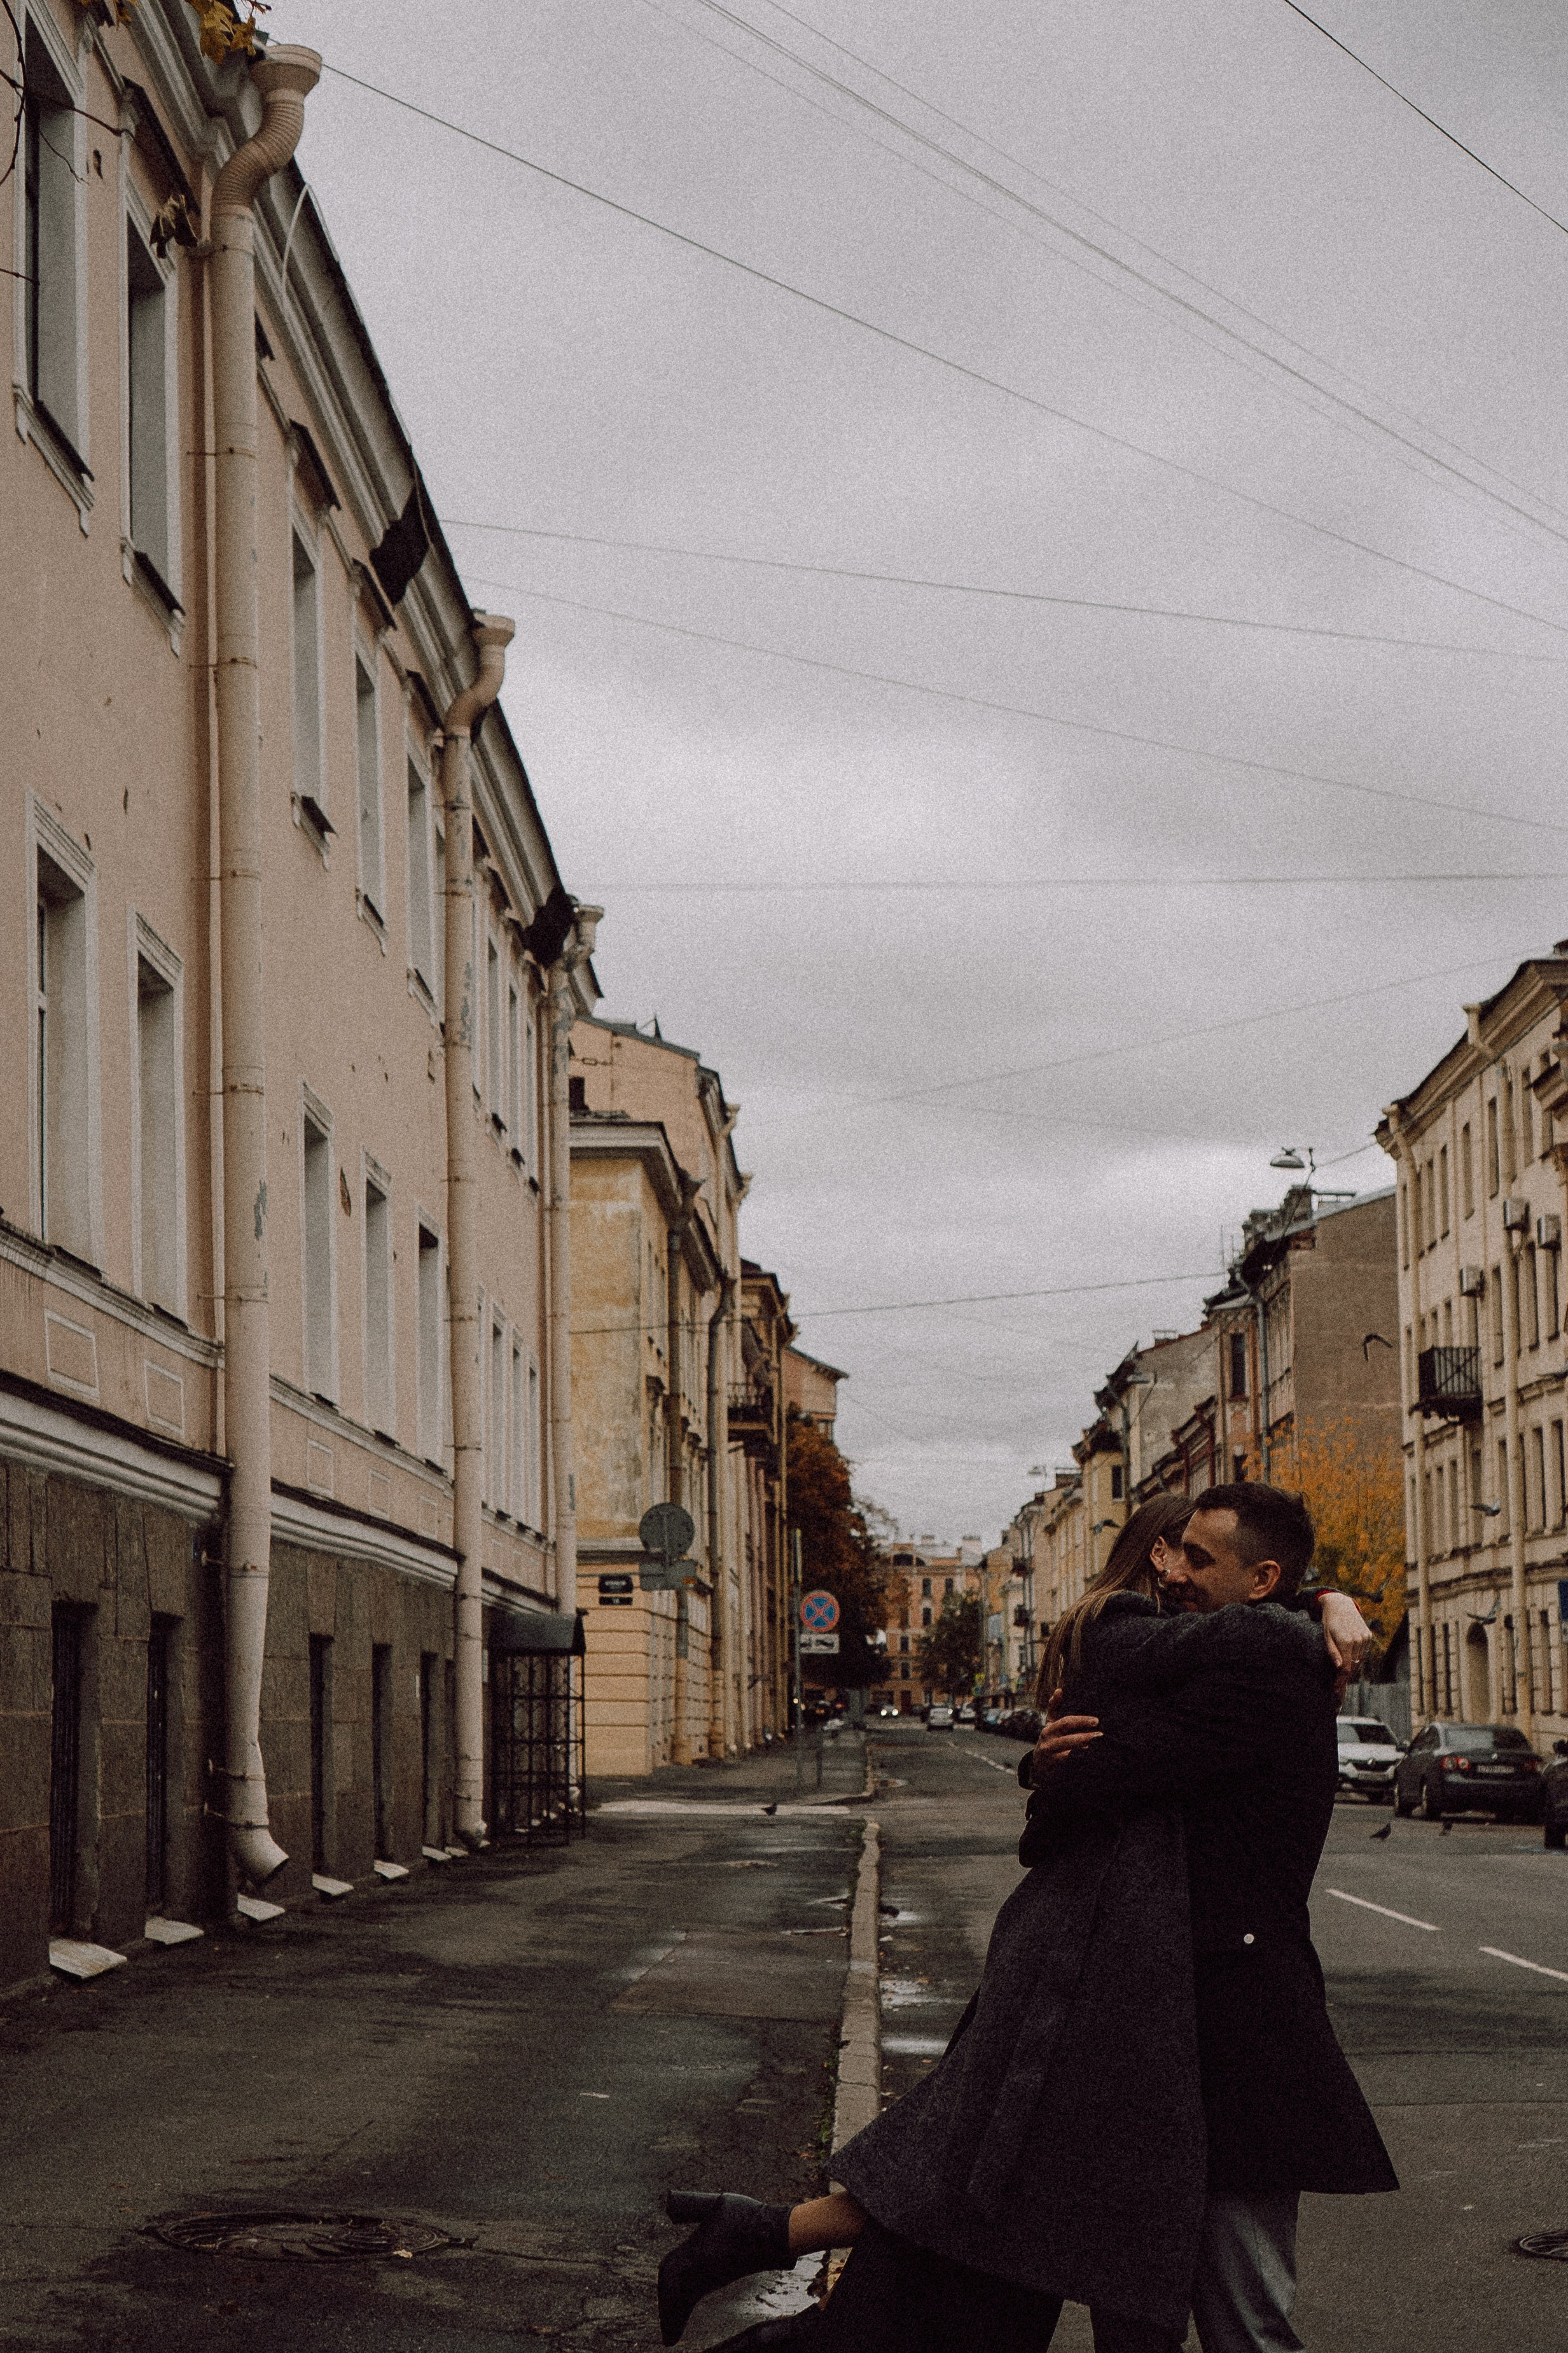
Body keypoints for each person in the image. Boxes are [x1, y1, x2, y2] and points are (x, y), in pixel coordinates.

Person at [654, 1489, 1384, 2351]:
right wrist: (1309, 1607)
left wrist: (1309, 1609)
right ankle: (768, 2255)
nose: (1176, 1572)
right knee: (1002, 2212)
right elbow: (1071, 1802)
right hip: (1107, 1998)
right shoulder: (1156, 1650)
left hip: (1209, 2017)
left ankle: (764, 2238)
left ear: (1259, 1577)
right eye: (1171, 1552)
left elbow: (1105, 1778)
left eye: (1196, 1558)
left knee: (1050, 2226)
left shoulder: (1252, 1667)